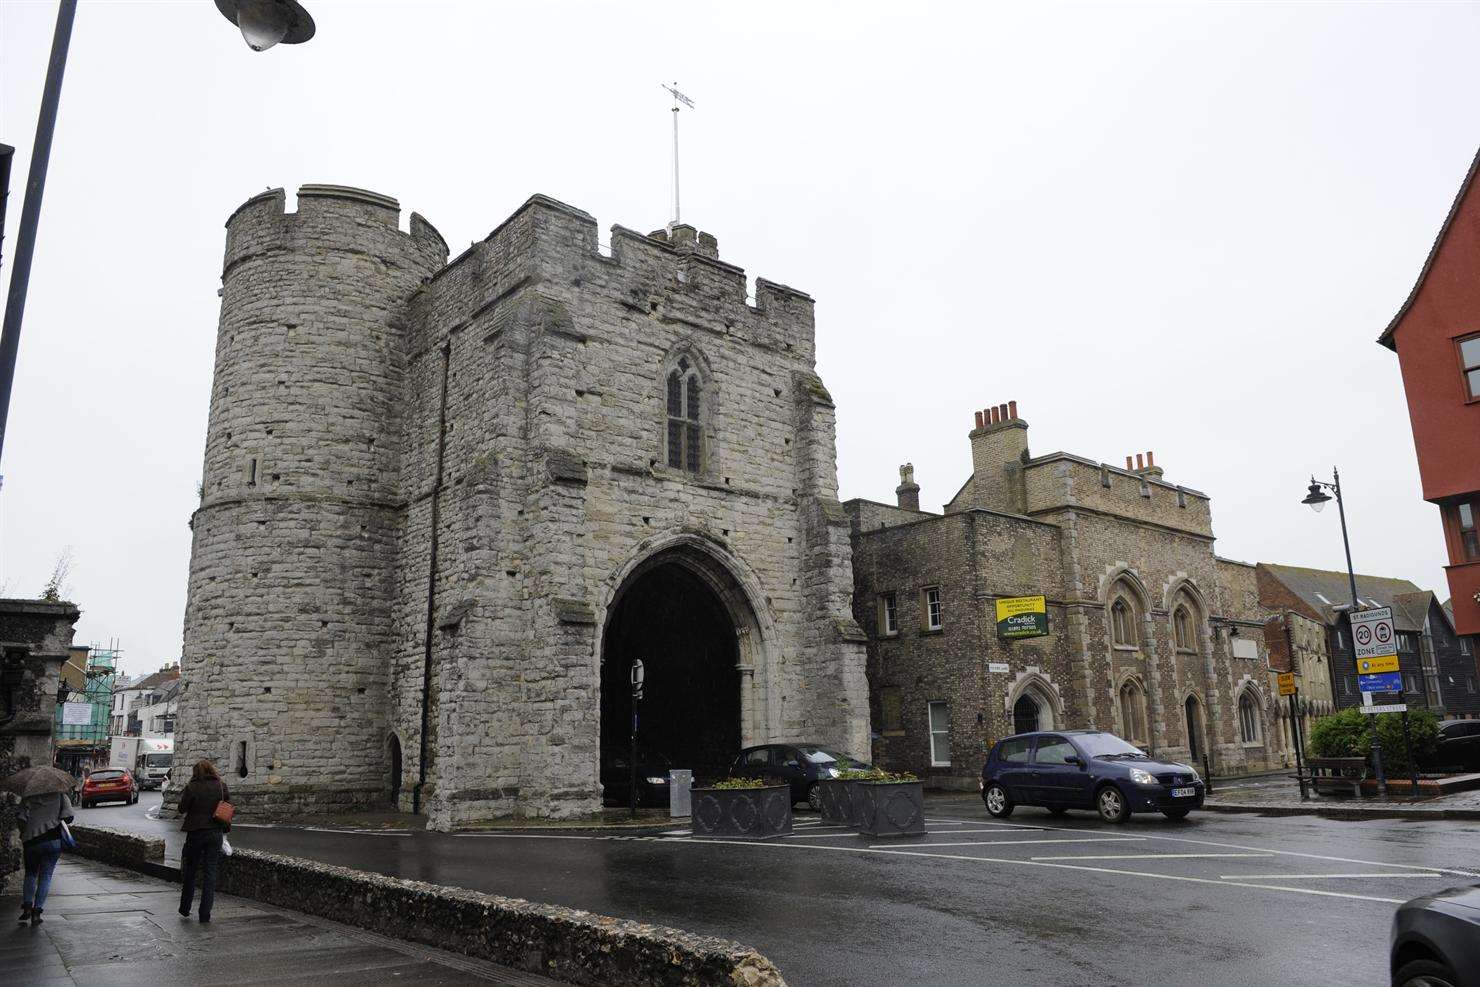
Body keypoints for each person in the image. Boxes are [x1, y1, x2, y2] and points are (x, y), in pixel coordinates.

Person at [176, 759, 230, 923]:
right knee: (210, 873)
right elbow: (227, 805)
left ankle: (185, 908)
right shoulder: (221, 786)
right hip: (215, 833)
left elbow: (182, 808)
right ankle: (205, 913)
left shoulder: (193, 787)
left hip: (196, 832)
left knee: (191, 871)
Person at [16, 789, 74, 926]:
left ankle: (27, 907)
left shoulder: (28, 797)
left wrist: (26, 832)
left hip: (31, 841)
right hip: (52, 840)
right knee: (46, 876)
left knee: (30, 873)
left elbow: (20, 818)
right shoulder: (60, 795)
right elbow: (69, 817)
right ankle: (37, 913)